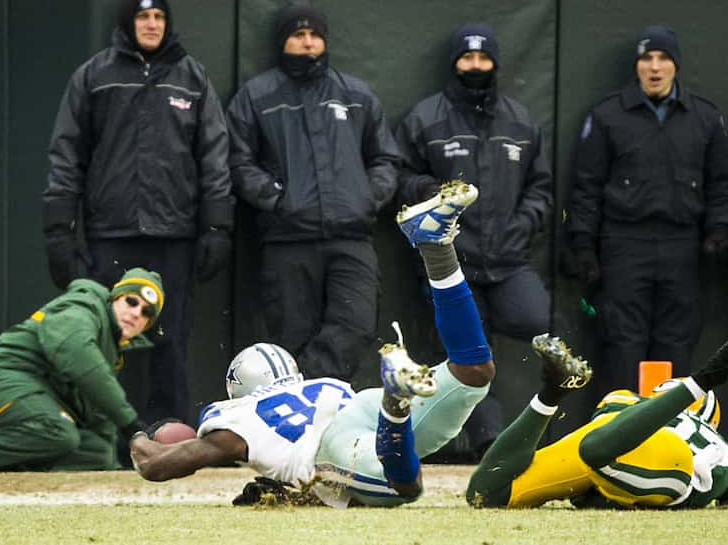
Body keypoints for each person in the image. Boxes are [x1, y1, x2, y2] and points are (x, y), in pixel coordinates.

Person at [130, 181, 495, 507]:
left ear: (238, 390)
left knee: (405, 485)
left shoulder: (238, 419)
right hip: (359, 409)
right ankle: (436, 245)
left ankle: (394, 403)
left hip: (334, 447)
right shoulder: (318, 386)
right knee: (473, 370)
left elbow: (155, 466)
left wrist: (142, 437)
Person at [42, 0, 234, 423]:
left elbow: (215, 156)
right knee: (108, 335)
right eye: (144, 17)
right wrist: (59, 231)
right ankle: (109, 437)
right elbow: (66, 154)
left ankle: (167, 433)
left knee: (170, 338)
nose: (152, 24)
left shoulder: (192, 77)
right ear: (128, 24)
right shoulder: (94, 76)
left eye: (159, 17)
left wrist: (218, 228)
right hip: (111, 232)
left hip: (175, 236)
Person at [396, 23, 553, 458]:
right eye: (468, 59)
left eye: (484, 59)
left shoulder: (520, 121)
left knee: (533, 317)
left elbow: (541, 187)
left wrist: (525, 222)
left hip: (508, 257)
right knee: (469, 345)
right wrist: (432, 195)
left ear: (495, 64)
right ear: (454, 64)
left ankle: (523, 425)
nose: (476, 66)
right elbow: (400, 174)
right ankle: (486, 440)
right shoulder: (425, 117)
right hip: (451, 258)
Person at [226, 0, 400, 382]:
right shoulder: (256, 96)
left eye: (314, 35)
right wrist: (278, 199)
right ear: (282, 41)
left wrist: (365, 197)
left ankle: (312, 390)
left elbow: (385, 158)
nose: (307, 43)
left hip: (351, 238)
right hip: (287, 240)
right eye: (298, 35)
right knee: (291, 338)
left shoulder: (357, 95)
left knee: (355, 324)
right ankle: (304, 421)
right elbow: (238, 162)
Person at [564, 24, 728, 393]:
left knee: (677, 340)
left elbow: (721, 183)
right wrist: (583, 245)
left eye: (663, 59)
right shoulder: (608, 116)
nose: (655, 68)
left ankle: (672, 432)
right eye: (647, 59)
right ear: (637, 66)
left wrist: (718, 230)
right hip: (625, 243)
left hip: (683, 246)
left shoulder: (704, 117)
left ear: (675, 66)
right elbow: (586, 185)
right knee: (623, 340)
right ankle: (621, 432)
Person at [466, 333, 728, 509]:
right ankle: (701, 381)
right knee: (596, 451)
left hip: (610, 437)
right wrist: (704, 380)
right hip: (639, 451)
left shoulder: (622, 399)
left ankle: (550, 395)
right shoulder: (715, 443)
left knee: (484, 494)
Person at [0, 268, 164, 472]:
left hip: (31, 404)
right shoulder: (84, 306)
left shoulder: (112, 349)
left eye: (146, 312)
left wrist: (113, 468)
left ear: (147, 325)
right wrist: (131, 425)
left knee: (97, 451)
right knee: (58, 431)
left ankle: (8, 471)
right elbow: (78, 355)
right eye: (131, 301)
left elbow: (100, 414)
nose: (136, 313)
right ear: (115, 298)